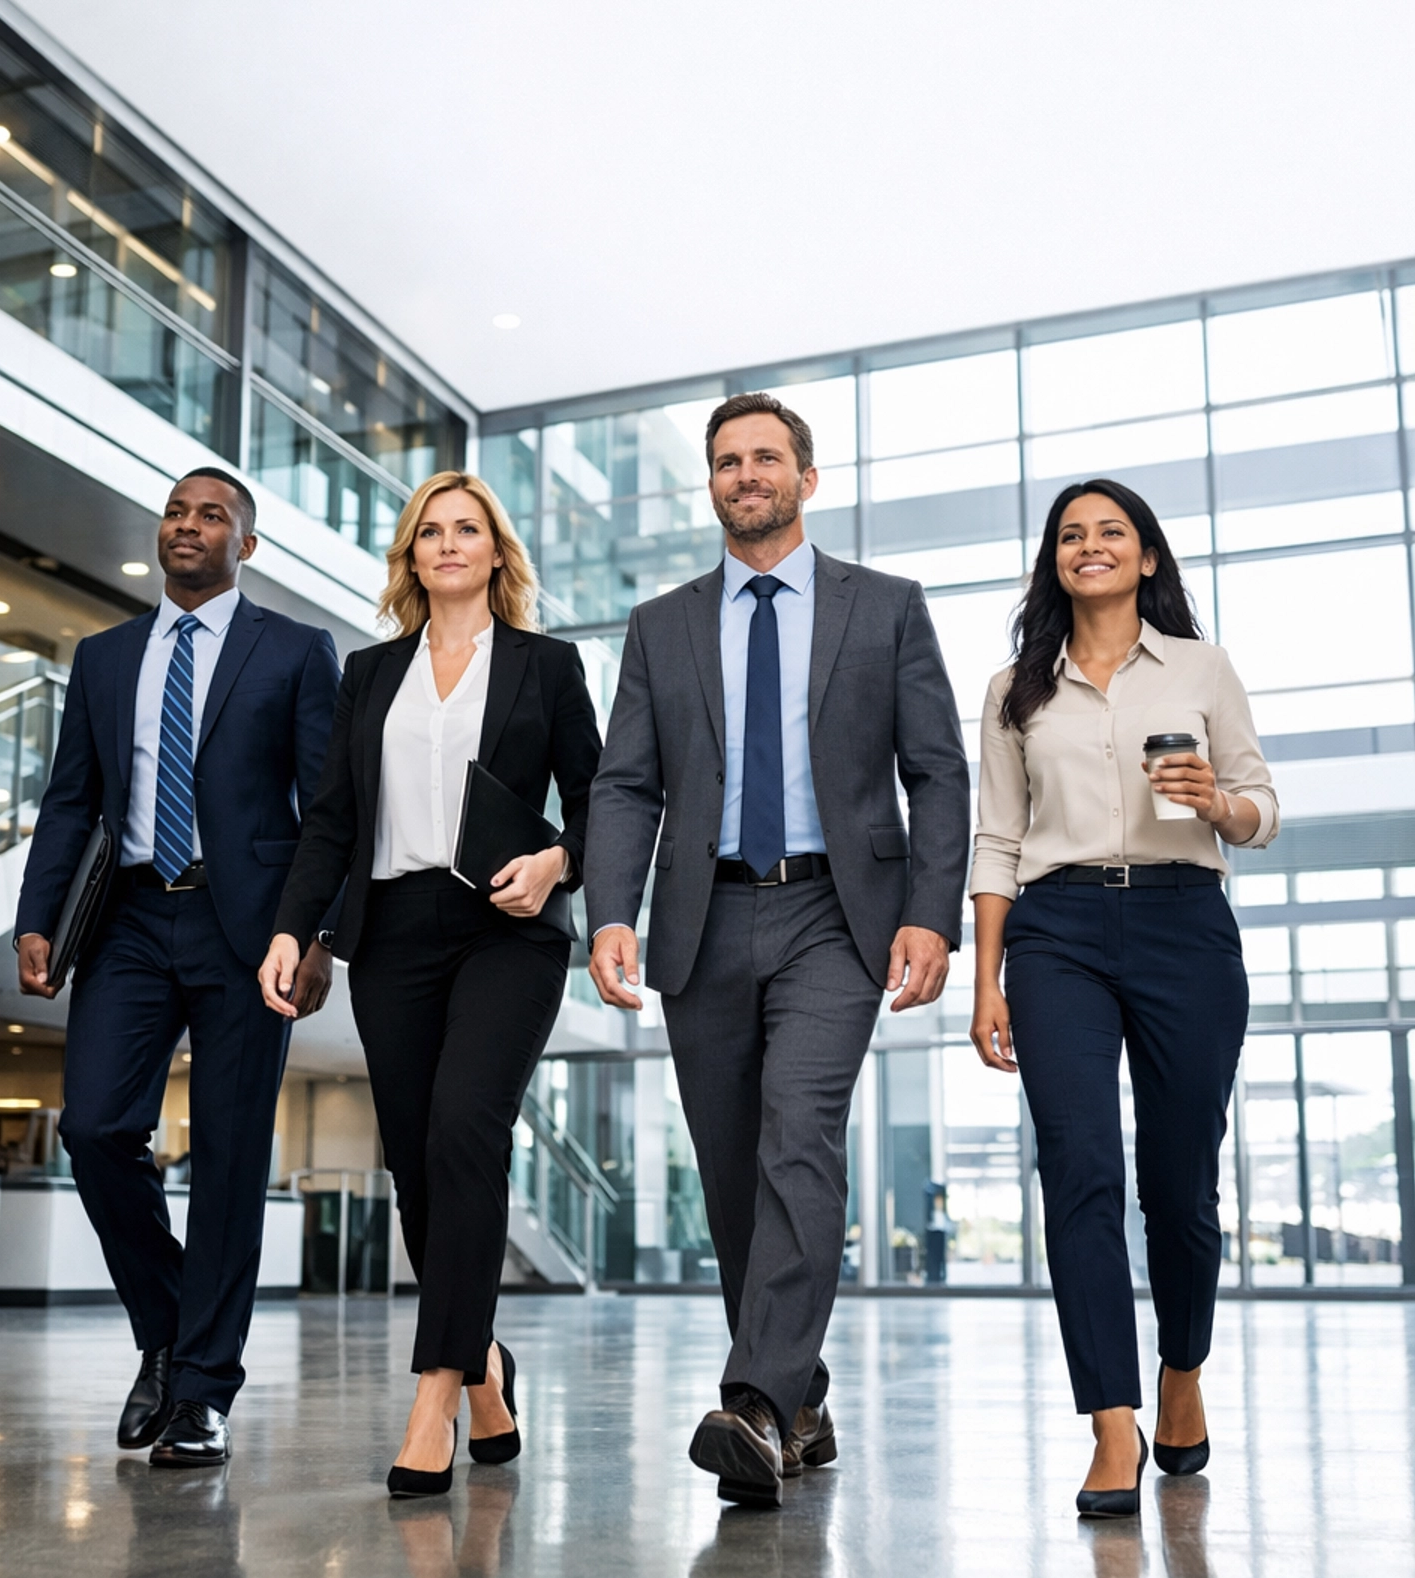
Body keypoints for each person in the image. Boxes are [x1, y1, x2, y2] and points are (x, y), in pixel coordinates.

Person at [586, 393, 971, 1507]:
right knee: (730, 1171)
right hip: (702, 917)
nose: (744, 474)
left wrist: (930, 912)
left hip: (835, 916)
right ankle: (799, 1398)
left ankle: (751, 1401)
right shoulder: (660, 624)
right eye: (726, 461)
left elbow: (937, 771)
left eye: (765, 457)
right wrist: (611, 910)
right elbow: (627, 783)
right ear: (711, 483)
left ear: (807, 477)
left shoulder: (884, 607)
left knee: (800, 1136)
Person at [260, 471, 601, 1497]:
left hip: (507, 929)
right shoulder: (371, 674)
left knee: (464, 1128)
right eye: (429, 531)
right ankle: (486, 1365)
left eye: (467, 529)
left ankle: (436, 1392)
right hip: (394, 932)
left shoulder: (547, 665)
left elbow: (601, 801)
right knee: (415, 1162)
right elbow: (331, 818)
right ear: (411, 555)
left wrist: (559, 862)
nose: (448, 543)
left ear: (496, 551)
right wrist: (292, 928)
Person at [16, 471, 341, 1467]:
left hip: (249, 932)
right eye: (175, 512)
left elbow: (326, 805)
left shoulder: (295, 650)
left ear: (247, 544)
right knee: (95, 1129)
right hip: (126, 921)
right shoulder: (106, 656)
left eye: (211, 516)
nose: (187, 527)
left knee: (232, 1160)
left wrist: (318, 934)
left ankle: (202, 1390)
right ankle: (164, 1330)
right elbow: (71, 799)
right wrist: (37, 918)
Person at [969, 478, 1277, 1516]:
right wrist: (986, 981)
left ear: (1147, 557)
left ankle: (1182, 1367)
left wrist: (1218, 803)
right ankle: (1112, 1421)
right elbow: (998, 840)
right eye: (1071, 534)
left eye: (1111, 532)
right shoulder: (1015, 689)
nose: (1089, 545)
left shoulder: (1201, 667)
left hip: (1184, 923)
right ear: (1053, 560)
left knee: (1179, 1184)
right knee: (1078, 1169)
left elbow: (1263, 804)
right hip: (1055, 934)